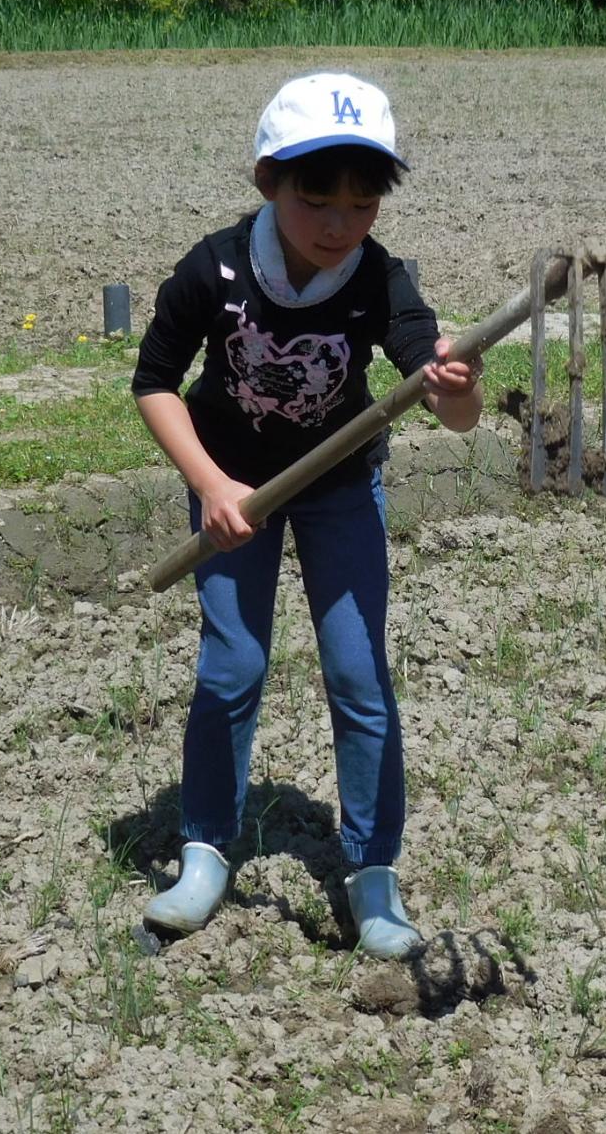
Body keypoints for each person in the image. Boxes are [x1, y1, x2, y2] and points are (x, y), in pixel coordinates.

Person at [129, 72, 482, 959]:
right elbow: (153, 383)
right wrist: (211, 486)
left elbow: (447, 404)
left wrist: (454, 385)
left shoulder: (380, 280)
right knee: (232, 667)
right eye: (315, 199)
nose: (338, 224)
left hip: (336, 488)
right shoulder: (212, 268)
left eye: (361, 205)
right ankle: (205, 848)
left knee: (360, 676)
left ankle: (372, 873)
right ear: (267, 183)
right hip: (234, 489)